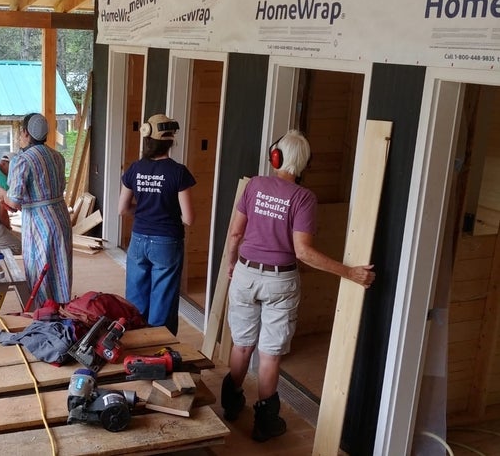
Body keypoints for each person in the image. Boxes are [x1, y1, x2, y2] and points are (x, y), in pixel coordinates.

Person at [221, 129, 376, 442]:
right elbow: (303, 251)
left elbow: (235, 234)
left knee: (241, 345)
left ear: (274, 156)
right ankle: (265, 424)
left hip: (246, 274)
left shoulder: (254, 185)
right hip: (280, 281)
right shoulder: (303, 198)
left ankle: (231, 403)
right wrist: (349, 272)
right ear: (304, 165)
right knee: (269, 354)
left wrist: (231, 263)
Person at [117, 114, 195, 336]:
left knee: (135, 299)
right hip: (166, 242)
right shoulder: (178, 172)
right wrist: (168, 215)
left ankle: (135, 346)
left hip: (139, 239)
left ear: (147, 138)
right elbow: (188, 218)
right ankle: (160, 351)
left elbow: (122, 209)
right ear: (171, 141)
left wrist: (143, 213)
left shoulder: (135, 169)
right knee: (163, 300)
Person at [0, 113, 72, 308]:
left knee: (40, 267)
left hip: (39, 222)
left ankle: (43, 313)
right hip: (60, 216)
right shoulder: (57, 156)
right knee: (60, 265)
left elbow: (13, 202)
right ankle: (61, 307)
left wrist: (3, 194)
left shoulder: (22, 160)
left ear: (26, 133)